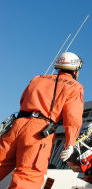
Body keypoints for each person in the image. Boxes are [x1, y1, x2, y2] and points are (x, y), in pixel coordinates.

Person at [0, 52, 84, 189]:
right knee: (29, 176)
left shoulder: (38, 78)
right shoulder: (75, 86)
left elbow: (22, 100)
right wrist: (70, 143)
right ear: (75, 69)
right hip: (39, 130)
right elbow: (72, 116)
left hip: (17, 124)